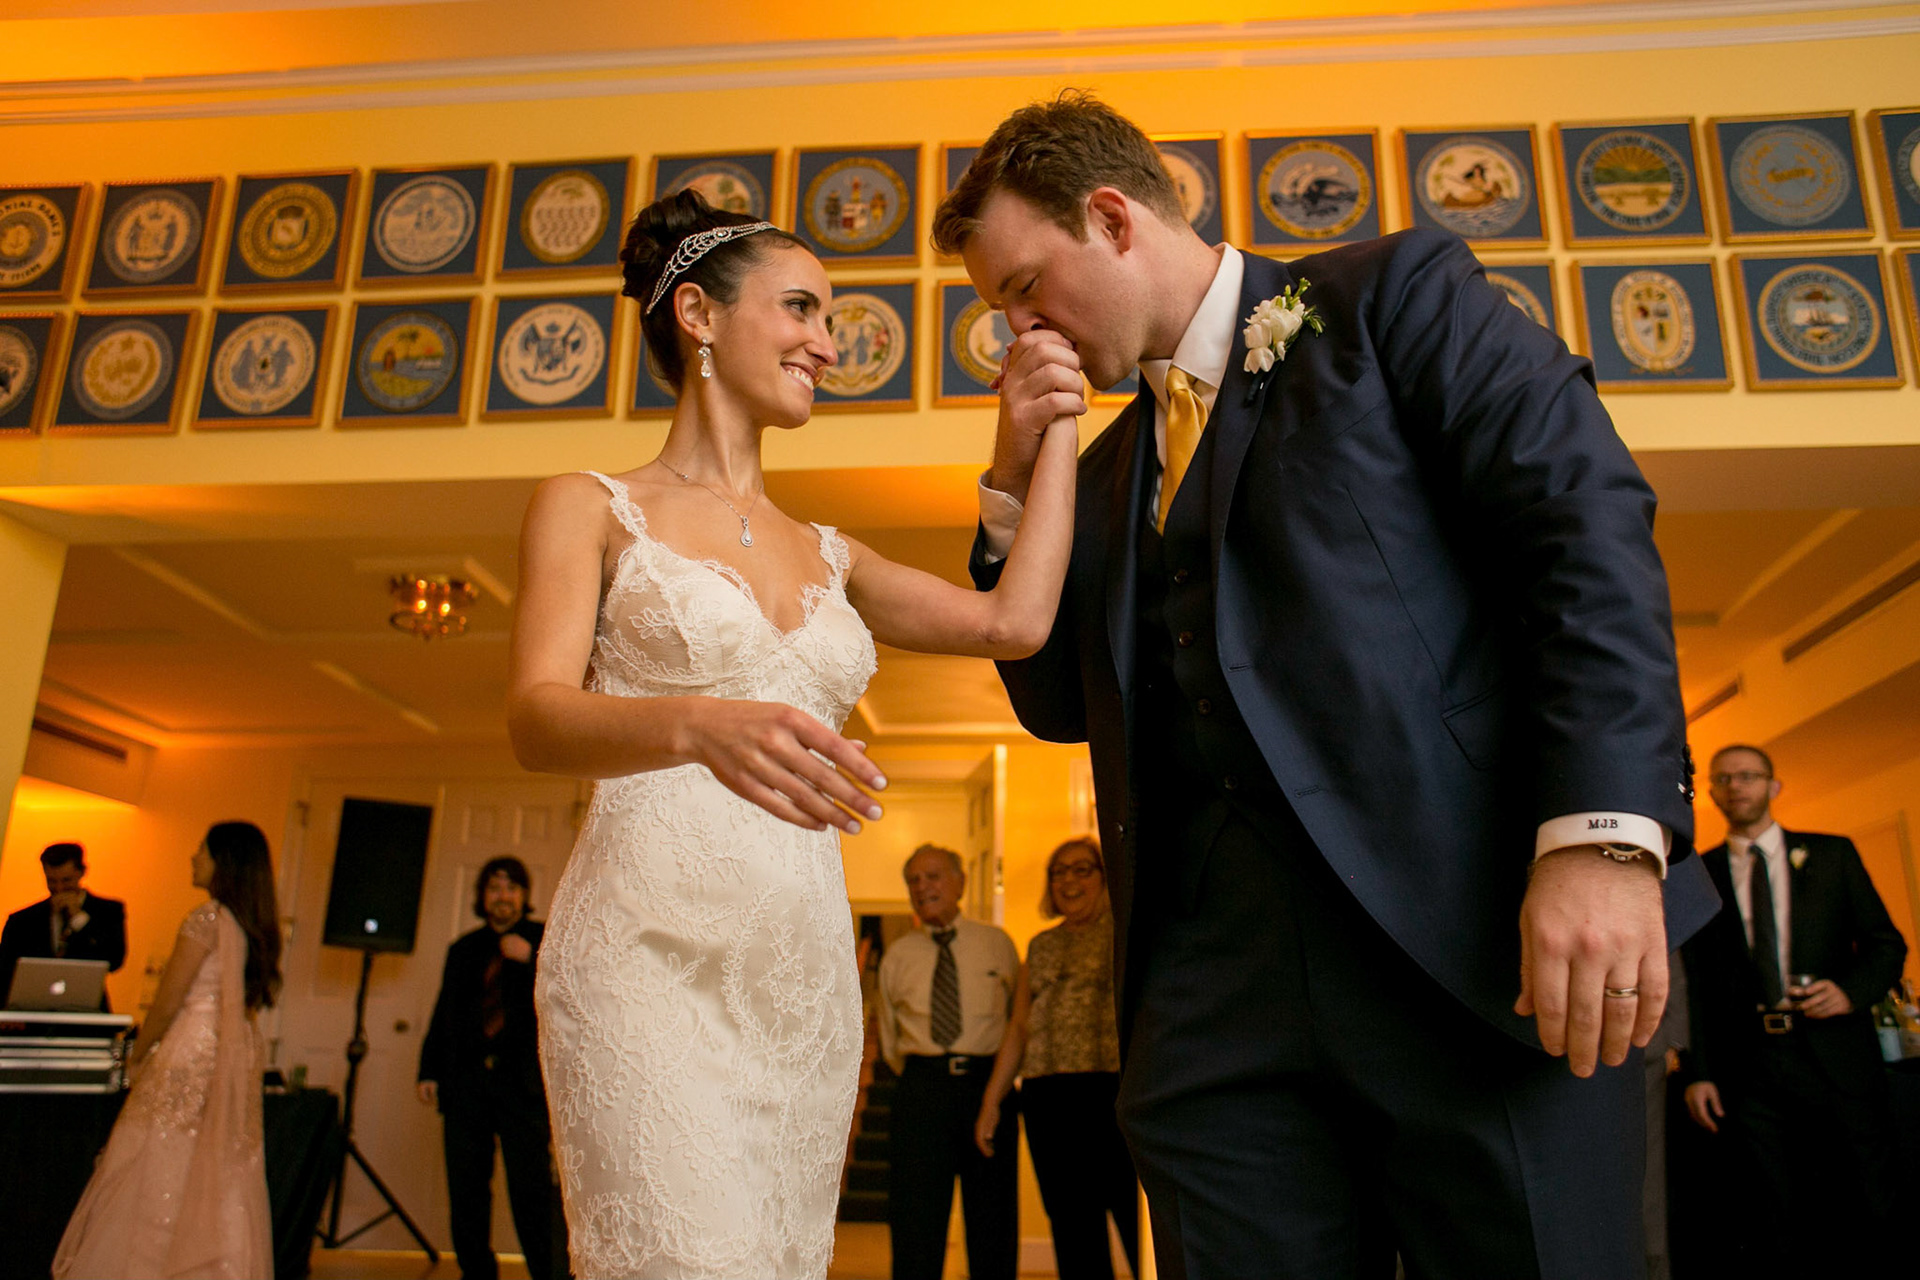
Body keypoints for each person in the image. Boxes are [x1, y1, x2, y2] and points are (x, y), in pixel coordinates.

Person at [936, 92, 1720, 1279]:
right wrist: (1011, 487)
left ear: (1110, 217)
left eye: (1024, 287)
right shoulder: (1091, 474)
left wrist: (1604, 837)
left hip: (1473, 953)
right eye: (1002, 310)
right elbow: (1051, 700)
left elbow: (1579, 526)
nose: (1018, 331)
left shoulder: (1392, 298)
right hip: (1211, 1021)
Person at [507, 190, 1078, 1279]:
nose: (829, 340)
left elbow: (1018, 619)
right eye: (805, 307)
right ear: (700, 314)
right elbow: (535, 716)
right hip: (645, 958)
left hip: (800, 980)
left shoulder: (834, 554)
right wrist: (695, 722)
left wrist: (1037, 439)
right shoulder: (586, 504)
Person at [1678, 744, 1907, 1278]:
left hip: (1836, 1056)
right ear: (1711, 792)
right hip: (1749, 1066)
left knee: (1866, 1197)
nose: (1737, 785)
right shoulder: (1699, 876)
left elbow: (1886, 945)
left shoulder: (1832, 855)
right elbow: (1697, 986)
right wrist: (1699, 1072)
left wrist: (1851, 992)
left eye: (1750, 776)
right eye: (1725, 778)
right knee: (1772, 1210)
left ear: (1774, 786)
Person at [53, 821, 281, 1279]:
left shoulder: (206, 919)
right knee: (211, 1162)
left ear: (224, 863)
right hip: (229, 1054)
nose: (193, 857)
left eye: (202, 850)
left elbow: (169, 999)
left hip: (190, 1047)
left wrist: (137, 1052)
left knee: (155, 1157)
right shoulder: (253, 925)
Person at [974, 837, 1138, 1280]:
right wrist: (993, 1099)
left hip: (1114, 1090)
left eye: (1082, 869)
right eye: (1058, 871)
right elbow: (1019, 1028)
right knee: (1071, 1223)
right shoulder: (1041, 946)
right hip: (1048, 1099)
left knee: (1136, 1218)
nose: (1069, 880)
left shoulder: (1125, 933)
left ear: (1104, 877)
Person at [875, 844, 1020, 1280]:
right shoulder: (897, 956)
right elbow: (889, 1038)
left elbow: (1018, 1021)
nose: (923, 887)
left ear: (960, 882)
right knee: (915, 1223)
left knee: (993, 1221)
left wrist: (992, 1087)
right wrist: (928, 1080)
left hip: (987, 1089)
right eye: (914, 880)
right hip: (921, 1089)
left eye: (933, 876)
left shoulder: (997, 944)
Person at [418, 856, 566, 1280]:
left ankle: (549, 1273)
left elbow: (575, 992)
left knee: (533, 1190)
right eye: (495, 888)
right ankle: (476, 1273)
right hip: (465, 1085)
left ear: (524, 896)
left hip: (523, 1087)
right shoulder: (462, 950)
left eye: (512, 888)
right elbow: (442, 1013)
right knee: (466, 1190)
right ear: (483, 897)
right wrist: (428, 1071)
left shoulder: (545, 941)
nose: (503, 896)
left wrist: (535, 956)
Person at [1, 842, 128, 1009]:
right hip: (32, 1012)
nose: (59, 888)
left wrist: (79, 919)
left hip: (86, 1011)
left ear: (82, 872)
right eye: (52, 881)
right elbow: (4, 971)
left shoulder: (107, 911)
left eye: (66, 880)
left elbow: (114, 959)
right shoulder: (23, 920)